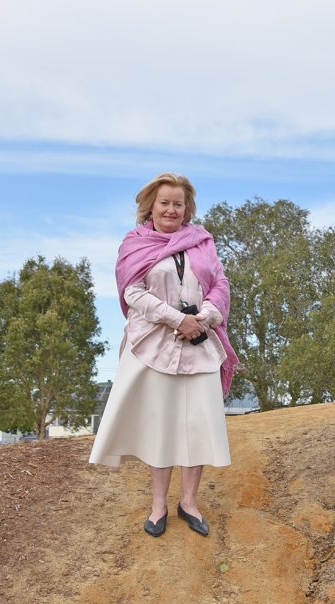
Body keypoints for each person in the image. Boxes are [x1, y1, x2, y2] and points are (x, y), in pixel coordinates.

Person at [90, 172, 239, 538]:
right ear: (151, 207)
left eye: (178, 203)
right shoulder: (134, 244)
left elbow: (220, 283)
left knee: (198, 424)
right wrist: (177, 319)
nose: (172, 209)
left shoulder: (202, 243)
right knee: (160, 425)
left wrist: (203, 316)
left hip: (200, 343)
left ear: (187, 208)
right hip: (152, 345)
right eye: (165, 203)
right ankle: (158, 506)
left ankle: (189, 502)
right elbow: (133, 293)